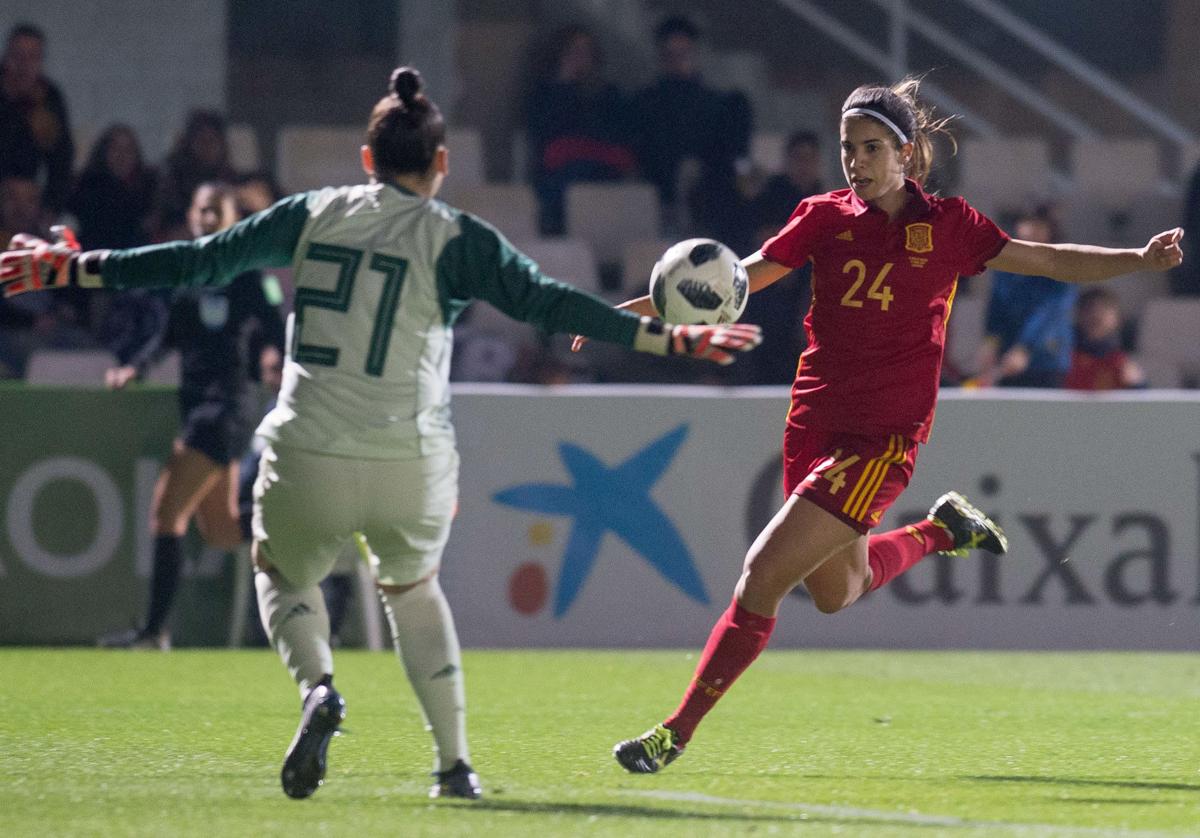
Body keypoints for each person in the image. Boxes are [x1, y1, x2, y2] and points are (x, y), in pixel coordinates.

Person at [0, 66, 761, 801]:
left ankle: (320, 687)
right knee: (413, 592)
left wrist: (76, 265)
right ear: (442, 162)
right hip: (411, 459)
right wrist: (667, 339)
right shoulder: (458, 236)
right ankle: (455, 764)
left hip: (306, 451)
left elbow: (198, 261)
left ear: (367, 161)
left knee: (281, 572)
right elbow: (550, 303)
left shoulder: (313, 213)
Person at [584, 77, 1183, 773]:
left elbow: (1046, 259)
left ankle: (673, 734)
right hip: (813, 421)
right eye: (847, 148)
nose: (856, 161)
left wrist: (1139, 259)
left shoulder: (952, 226)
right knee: (835, 593)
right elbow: (741, 280)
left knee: (762, 576)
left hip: (881, 439)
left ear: (907, 152)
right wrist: (645, 309)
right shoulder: (821, 215)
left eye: (871, 147)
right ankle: (944, 529)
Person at [96, 181, 286, 652]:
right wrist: (134, 367)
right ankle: (301, 533)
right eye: (200, 211)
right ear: (190, 214)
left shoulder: (248, 275)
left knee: (166, 511)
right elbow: (166, 338)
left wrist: (273, 358)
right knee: (220, 529)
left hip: (227, 406)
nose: (206, 220)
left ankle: (153, 631)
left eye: (215, 212)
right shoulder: (187, 276)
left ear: (231, 219)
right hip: (198, 404)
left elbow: (277, 328)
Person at [631, 15, 753, 241]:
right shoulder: (646, 103)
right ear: (661, 57)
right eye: (671, 55)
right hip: (663, 187)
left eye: (684, 54)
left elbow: (734, 155)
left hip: (714, 192)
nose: (678, 61)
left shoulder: (722, 104)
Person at [525, 24, 637, 235]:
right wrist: (563, 85)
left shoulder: (609, 95)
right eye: (573, 51)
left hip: (602, 172)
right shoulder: (543, 94)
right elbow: (545, 134)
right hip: (561, 174)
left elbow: (616, 137)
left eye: (585, 51)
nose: (580, 57)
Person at [975, 207, 1077, 388]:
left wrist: (1025, 348)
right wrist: (990, 343)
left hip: (1045, 361)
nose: (1031, 231)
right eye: (1027, 224)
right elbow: (996, 308)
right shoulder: (1006, 267)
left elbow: (1049, 313)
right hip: (1007, 360)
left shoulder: (1062, 268)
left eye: (1039, 226)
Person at [0, 24, 73, 217]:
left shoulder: (48, 98)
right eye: (18, 55)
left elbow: (61, 158)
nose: (24, 64)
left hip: (29, 198)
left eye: (32, 57)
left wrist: (51, 207)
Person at [68, 124, 157, 251]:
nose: (122, 156)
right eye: (116, 148)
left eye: (128, 149)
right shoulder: (88, 188)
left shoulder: (148, 190)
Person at [153, 110, 237, 240]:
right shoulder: (173, 184)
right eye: (201, 140)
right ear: (190, 143)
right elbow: (161, 229)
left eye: (212, 139)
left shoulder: (233, 181)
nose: (206, 146)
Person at [1064, 287, 1145, 390]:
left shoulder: (1121, 364)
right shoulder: (1063, 359)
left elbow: (1142, 401)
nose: (1096, 315)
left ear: (1118, 319)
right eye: (1089, 309)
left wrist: (1137, 385)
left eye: (1105, 309)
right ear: (1078, 316)